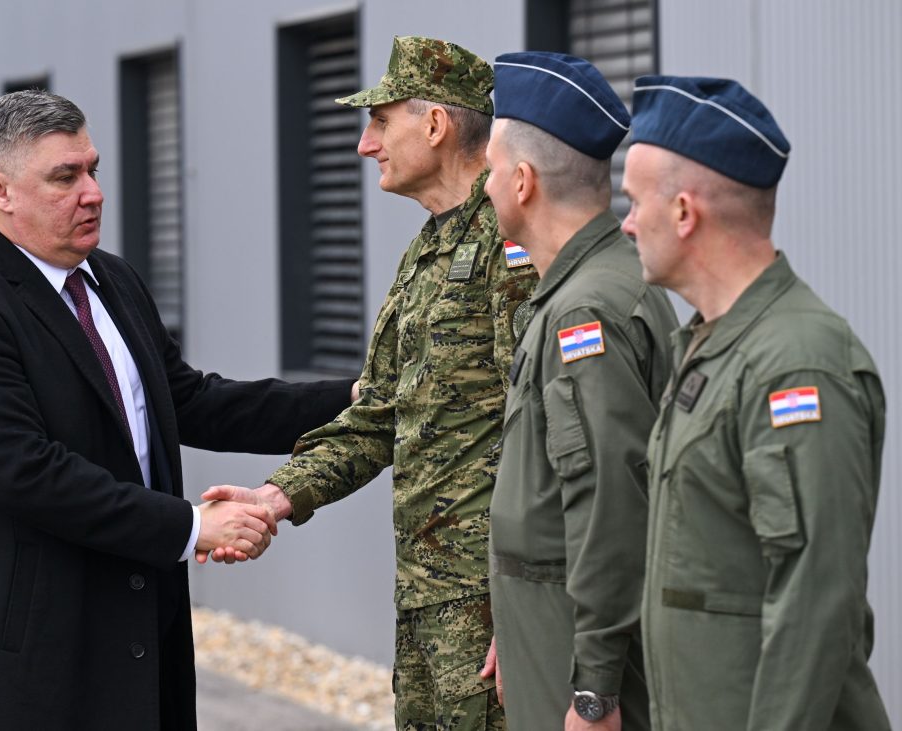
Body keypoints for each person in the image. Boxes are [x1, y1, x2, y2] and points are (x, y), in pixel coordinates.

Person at [0, 89, 355, 731]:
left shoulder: (112, 281)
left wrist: (357, 398)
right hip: (20, 667)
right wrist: (192, 526)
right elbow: (25, 472)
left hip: (133, 639)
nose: (93, 193)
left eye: (93, 169)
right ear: (0, 191)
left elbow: (189, 400)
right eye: (65, 177)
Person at [203, 36, 538, 729]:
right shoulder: (425, 250)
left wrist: (531, 602)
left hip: (490, 603)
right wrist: (275, 496)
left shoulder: (511, 243)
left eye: (380, 122)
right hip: (427, 599)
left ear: (435, 124)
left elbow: (543, 429)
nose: (365, 145)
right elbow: (382, 412)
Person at [621, 76, 891, 730]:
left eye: (632, 201)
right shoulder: (711, 344)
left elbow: (814, 605)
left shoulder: (796, 363)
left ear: (684, 212)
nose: (625, 222)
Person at [477, 53, 677, 731]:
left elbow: (610, 505)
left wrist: (594, 690)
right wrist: (517, 624)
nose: (485, 188)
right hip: (551, 628)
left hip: (581, 654)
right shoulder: (588, 287)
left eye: (491, 170)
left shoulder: (583, 312)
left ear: (523, 181)